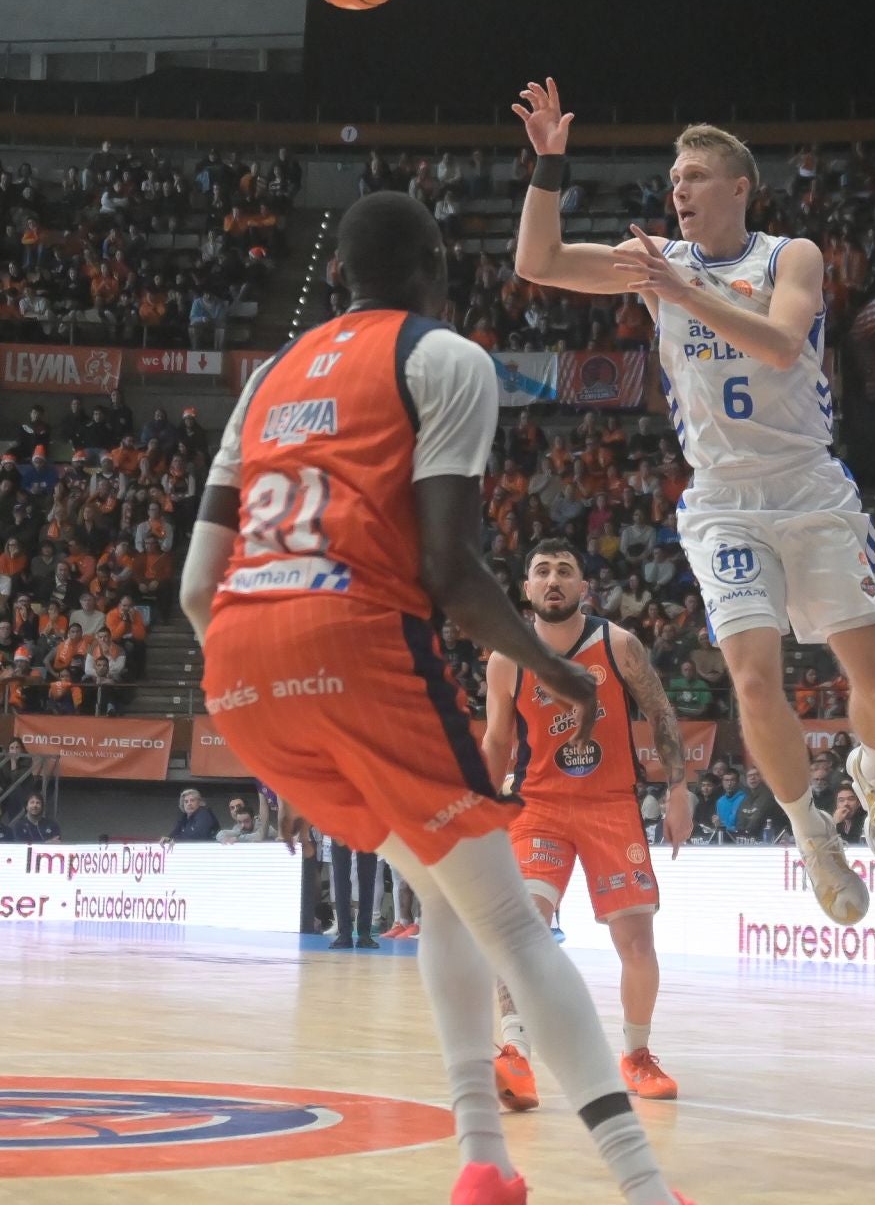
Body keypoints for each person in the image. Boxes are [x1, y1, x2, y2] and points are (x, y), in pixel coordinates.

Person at [178, 190, 696, 1205]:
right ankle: (643, 1188)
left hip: (237, 667)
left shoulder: (264, 379)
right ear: (435, 268)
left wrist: (269, 668)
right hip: (355, 649)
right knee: (511, 922)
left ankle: (484, 1165)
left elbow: (196, 588)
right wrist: (556, 674)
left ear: (333, 276)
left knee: (449, 892)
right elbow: (451, 571)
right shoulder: (443, 357)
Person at [512, 80, 875, 925]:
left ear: (738, 188)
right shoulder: (660, 261)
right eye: (672, 180)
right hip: (724, 500)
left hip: (809, 486)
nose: (677, 190)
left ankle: (874, 771)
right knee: (753, 684)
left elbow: (774, 343)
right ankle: (810, 831)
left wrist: (677, 290)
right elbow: (536, 263)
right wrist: (549, 165)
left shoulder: (787, 256)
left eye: (693, 176)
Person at [482, 541, 692, 1111]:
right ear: (526, 588)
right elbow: (498, 741)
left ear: (583, 589)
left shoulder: (617, 645)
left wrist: (677, 788)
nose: (553, 580)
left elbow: (661, 713)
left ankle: (637, 1055)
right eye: (542, 571)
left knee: (636, 940)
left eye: (565, 571)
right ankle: (514, 1052)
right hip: (538, 808)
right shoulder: (505, 658)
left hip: (609, 805)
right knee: (522, 927)